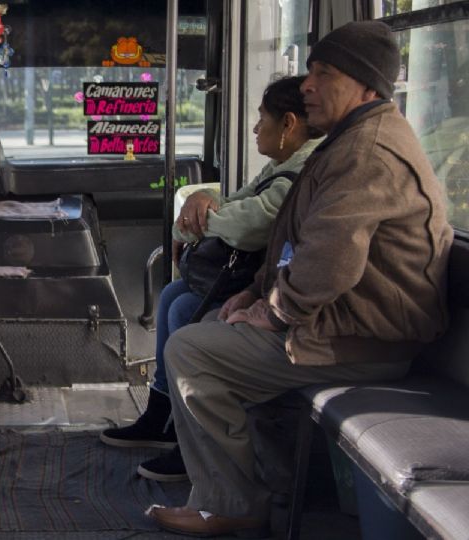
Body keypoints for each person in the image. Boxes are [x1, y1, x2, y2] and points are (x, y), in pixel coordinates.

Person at [147, 21, 452, 537]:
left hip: (362, 341)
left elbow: (328, 264)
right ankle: (251, 488)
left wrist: (271, 312)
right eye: (310, 71)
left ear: (366, 86)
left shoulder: (366, 152)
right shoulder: (348, 141)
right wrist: (249, 292)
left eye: (323, 72)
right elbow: (296, 237)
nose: (307, 84)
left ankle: (233, 502)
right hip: (343, 327)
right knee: (204, 331)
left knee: (191, 351)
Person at [100, 76, 326, 482]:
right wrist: (197, 210)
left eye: (262, 119)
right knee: (172, 294)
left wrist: (201, 221)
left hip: (286, 307)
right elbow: (230, 205)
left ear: (288, 123)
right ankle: (162, 413)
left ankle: (193, 443)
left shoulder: (304, 171)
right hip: (260, 282)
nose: (256, 128)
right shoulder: (279, 168)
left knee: (188, 308)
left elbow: (248, 226)